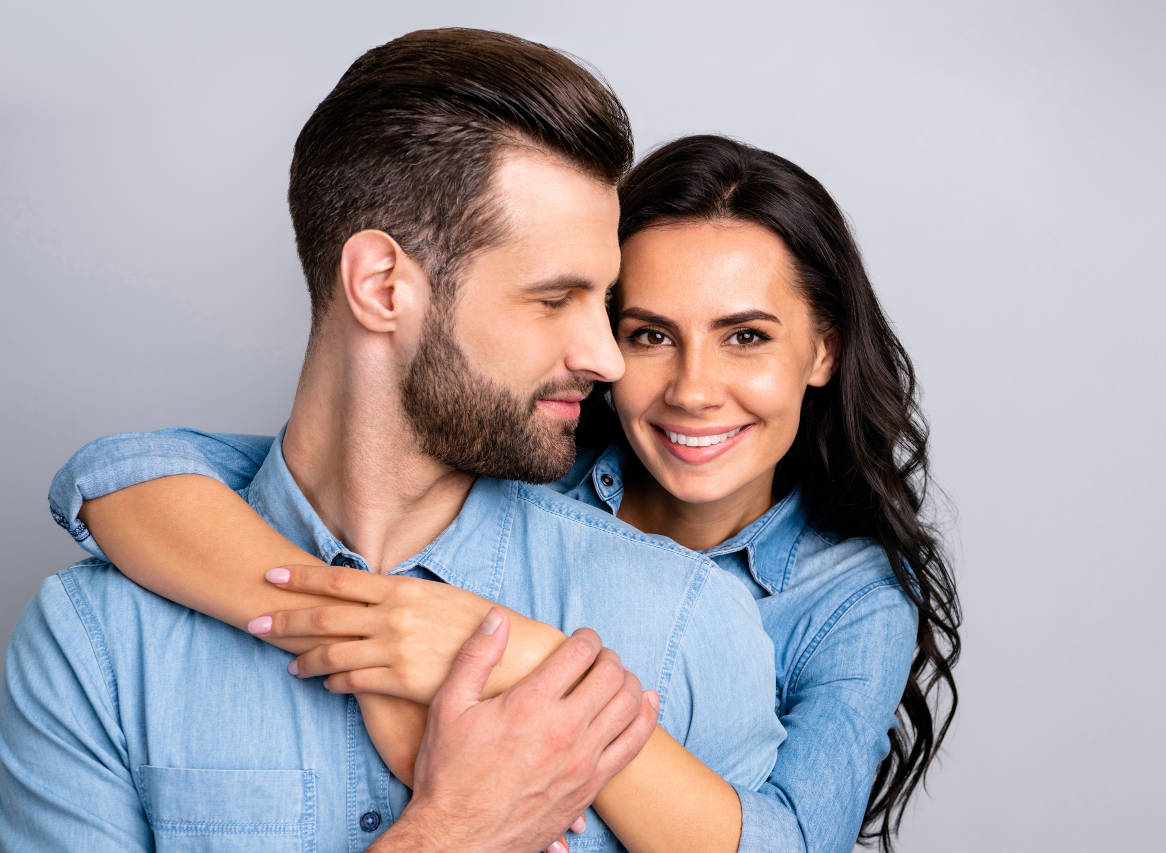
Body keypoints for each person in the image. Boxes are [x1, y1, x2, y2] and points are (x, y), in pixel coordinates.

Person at [37, 135, 962, 851]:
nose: (692, 388)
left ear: (825, 349)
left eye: (747, 337)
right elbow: (123, 475)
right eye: (646, 333)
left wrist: (519, 657)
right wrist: (367, 629)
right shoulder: (525, 457)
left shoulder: (847, 598)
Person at [0, 30, 788, 853]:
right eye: (555, 300)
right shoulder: (97, 642)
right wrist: (455, 832)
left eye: (604, 301)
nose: (606, 355)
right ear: (381, 286)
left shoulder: (685, 621)